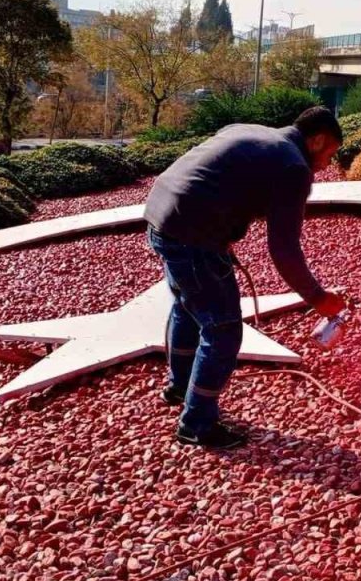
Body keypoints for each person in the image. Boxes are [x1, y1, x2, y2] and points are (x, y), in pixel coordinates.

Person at [145, 107, 348, 449]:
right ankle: (196, 424)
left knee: (187, 306)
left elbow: (216, 180)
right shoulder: (294, 167)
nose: (327, 165)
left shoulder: (253, 132)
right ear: (316, 140)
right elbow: (283, 248)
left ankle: (180, 387)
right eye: (329, 154)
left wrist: (222, 231)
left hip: (160, 215)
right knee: (222, 329)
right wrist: (317, 297)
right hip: (191, 234)